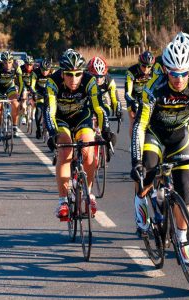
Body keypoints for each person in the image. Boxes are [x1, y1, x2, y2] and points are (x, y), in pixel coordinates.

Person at [131, 40, 189, 266]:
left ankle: (182, 240)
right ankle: (140, 202)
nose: (179, 79)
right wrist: (137, 161)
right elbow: (140, 125)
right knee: (146, 172)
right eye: (174, 73)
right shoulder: (154, 88)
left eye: (184, 73)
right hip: (155, 135)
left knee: (184, 189)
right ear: (166, 69)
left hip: (180, 136)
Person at [44, 49, 115, 219]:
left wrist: (106, 130)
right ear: (62, 73)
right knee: (65, 151)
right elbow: (50, 110)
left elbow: (99, 108)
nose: (74, 79)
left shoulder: (90, 81)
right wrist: (53, 133)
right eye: (69, 74)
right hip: (61, 120)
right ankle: (62, 201)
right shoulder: (52, 83)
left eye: (78, 74)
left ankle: (88, 194)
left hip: (82, 118)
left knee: (89, 150)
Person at [0, 50, 23, 141]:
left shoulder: (16, 67)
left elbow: (21, 83)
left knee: (16, 104)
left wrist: (19, 95)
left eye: (10, 62)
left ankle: (14, 127)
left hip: (10, 88)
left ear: (12, 61)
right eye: (5, 62)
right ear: (2, 62)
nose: (8, 65)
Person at [125, 51, 155, 137]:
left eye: (149, 66)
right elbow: (128, 93)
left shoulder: (154, 71)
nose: (146, 69)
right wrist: (132, 102)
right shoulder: (131, 71)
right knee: (134, 121)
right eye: (144, 66)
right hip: (133, 97)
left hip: (147, 96)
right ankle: (133, 144)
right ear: (139, 63)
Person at [87, 56, 122, 120]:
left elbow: (114, 99)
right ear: (89, 73)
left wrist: (117, 110)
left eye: (101, 76)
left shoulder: (109, 81)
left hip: (101, 98)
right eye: (95, 76)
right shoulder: (84, 78)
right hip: (87, 99)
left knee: (105, 112)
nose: (98, 79)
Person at [33, 57, 54, 139]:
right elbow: (32, 85)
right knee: (39, 110)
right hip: (40, 93)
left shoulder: (53, 72)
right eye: (43, 69)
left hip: (50, 94)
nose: (44, 72)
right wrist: (34, 92)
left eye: (47, 70)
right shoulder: (35, 72)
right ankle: (38, 129)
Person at [20, 56, 36, 125]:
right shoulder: (21, 68)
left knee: (36, 99)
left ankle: (33, 113)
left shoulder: (35, 69)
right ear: (24, 64)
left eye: (30, 64)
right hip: (24, 85)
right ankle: (24, 115)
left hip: (33, 86)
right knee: (23, 97)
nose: (29, 66)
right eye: (27, 64)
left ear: (33, 64)